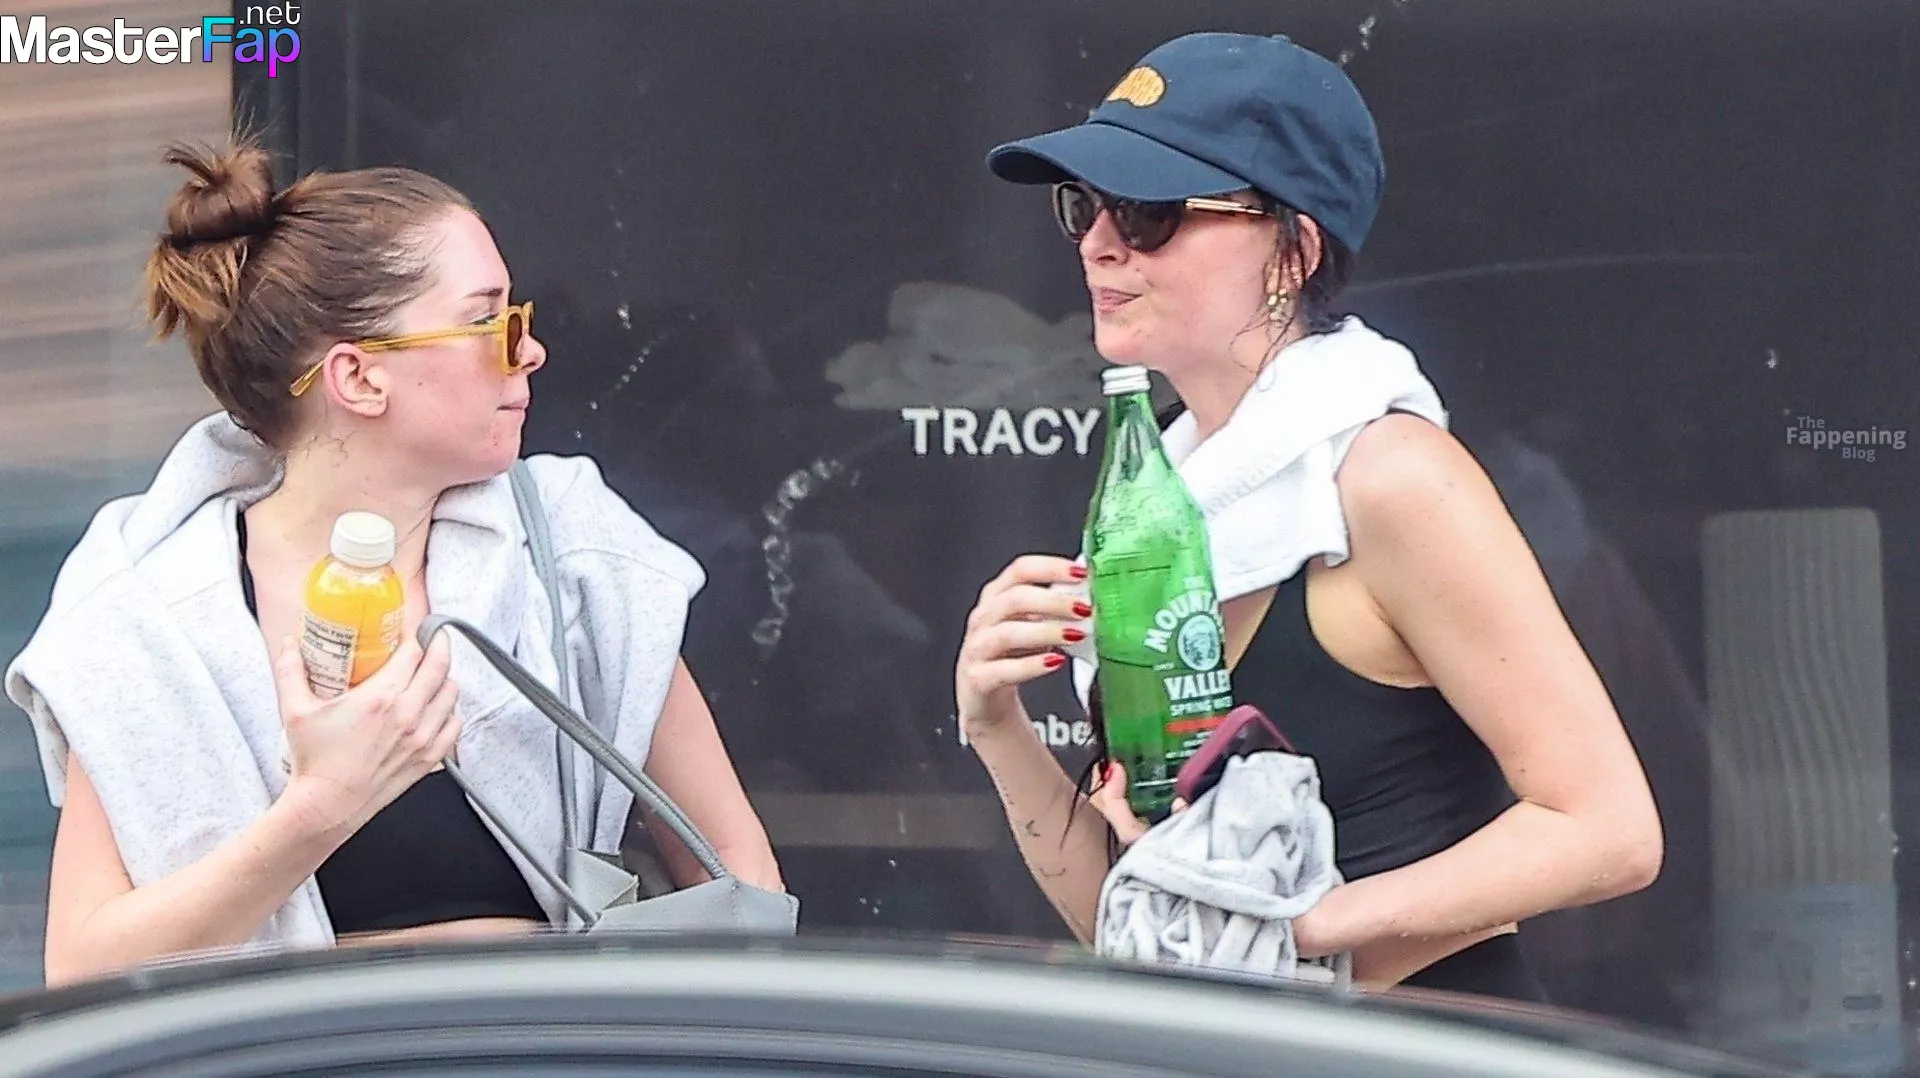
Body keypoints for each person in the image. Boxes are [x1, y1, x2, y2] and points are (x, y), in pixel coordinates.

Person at [954, 32, 1663, 1002]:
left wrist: (1305, 928)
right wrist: (996, 725)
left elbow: (1609, 830)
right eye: (1084, 206)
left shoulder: (1388, 477)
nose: (1099, 242)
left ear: (1294, 250)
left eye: (1152, 213)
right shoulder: (1168, 494)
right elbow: (1142, 926)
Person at [5, 139, 782, 985]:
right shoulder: (150, 619)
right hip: (306, 1045)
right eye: (488, 322)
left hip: (553, 1037)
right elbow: (83, 967)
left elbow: (733, 872)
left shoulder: (570, 551)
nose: (529, 351)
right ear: (359, 379)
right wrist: (321, 808)